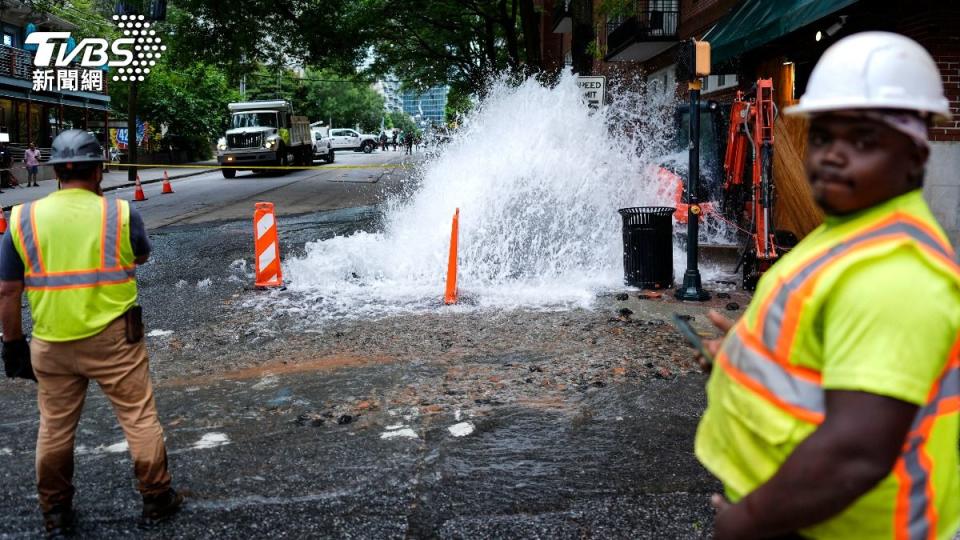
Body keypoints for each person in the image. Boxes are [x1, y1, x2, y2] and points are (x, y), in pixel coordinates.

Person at [694, 32, 960, 539]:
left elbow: (855, 453)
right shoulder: (854, 231)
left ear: (915, 155)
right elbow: (825, 353)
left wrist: (746, 522)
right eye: (822, 136)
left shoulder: (897, 274)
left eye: (862, 140)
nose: (834, 155)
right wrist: (747, 355)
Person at [0, 130, 183, 536]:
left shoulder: (22, 217)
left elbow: (7, 289)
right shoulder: (119, 213)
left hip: (51, 343)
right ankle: (156, 499)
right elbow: (141, 253)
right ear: (99, 169)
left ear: (58, 170)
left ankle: (56, 511)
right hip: (116, 339)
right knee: (138, 418)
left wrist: (13, 345)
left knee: (54, 427)